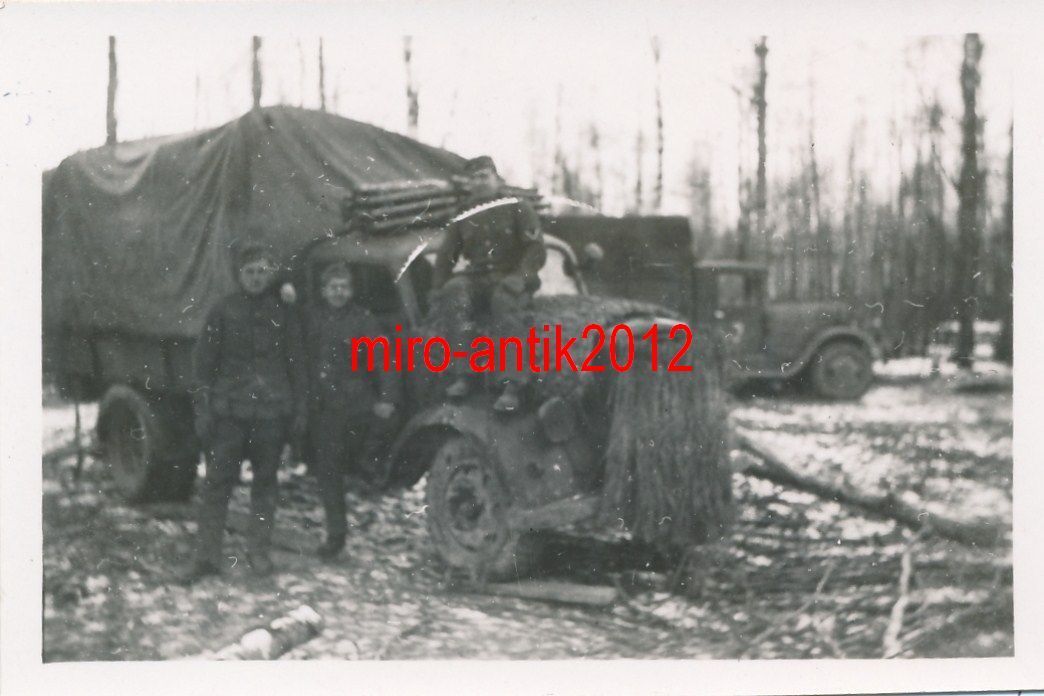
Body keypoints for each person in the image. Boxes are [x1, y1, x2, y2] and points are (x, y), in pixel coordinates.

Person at [180, 242, 307, 584]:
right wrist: (203, 409)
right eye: (249, 272)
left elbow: (296, 363)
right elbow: (203, 364)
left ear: (271, 274)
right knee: (217, 485)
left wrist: (298, 411)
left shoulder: (284, 312)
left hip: (270, 416)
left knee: (265, 487)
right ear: (239, 275)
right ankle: (207, 557)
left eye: (262, 272)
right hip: (230, 416)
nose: (255, 278)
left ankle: (259, 554)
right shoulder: (223, 311)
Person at [431, 155, 546, 412]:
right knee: (454, 291)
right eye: (473, 178)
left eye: (484, 176)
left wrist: (519, 278)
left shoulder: (518, 207)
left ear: (496, 178)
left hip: (511, 275)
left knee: (505, 302)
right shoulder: (463, 213)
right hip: (478, 276)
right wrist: (437, 287)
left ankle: (512, 385)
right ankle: (464, 374)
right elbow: (447, 254)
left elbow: (536, 250)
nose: (479, 182)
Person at [303, 261, 398, 561]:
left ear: (351, 290)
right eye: (333, 288)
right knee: (328, 472)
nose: (339, 293)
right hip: (325, 407)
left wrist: (388, 397)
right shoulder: (313, 318)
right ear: (323, 291)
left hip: (356, 406)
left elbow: (385, 360)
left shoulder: (363, 321)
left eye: (344, 288)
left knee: (357, 468)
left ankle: (357, 524)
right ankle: (336, 534)